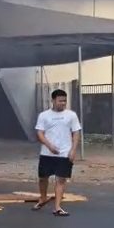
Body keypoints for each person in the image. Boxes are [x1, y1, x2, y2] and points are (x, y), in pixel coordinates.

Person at [32, 89, 81, 217]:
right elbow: (39, 133)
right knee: (43, 178)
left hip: (64, 153)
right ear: (53, 100)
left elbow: (76, 132)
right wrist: (49, 145)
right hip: (47, 153)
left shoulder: (71, 115)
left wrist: (73, 150)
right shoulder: (44, 115)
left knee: (61, 179)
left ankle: (57, 207)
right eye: (60, 101)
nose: (63, 103)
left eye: (65, 101)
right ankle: (43, 198)